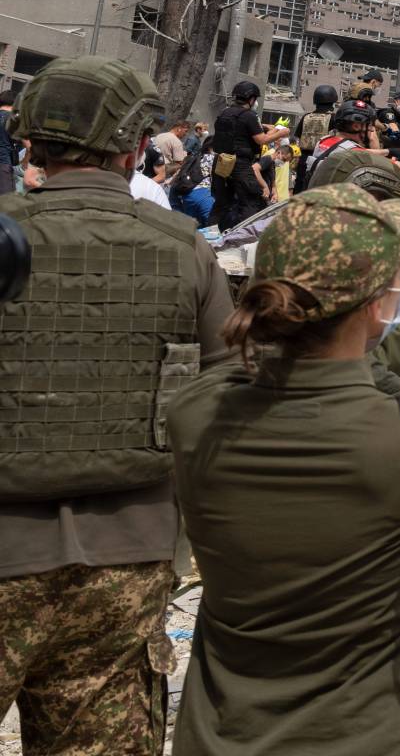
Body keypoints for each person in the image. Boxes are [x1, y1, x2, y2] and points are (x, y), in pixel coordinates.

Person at [167, 181, 400, 755]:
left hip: (220, 737)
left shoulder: (194, 415)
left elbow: (252, 369)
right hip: (373, 735)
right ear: (375, 308)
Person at [0, 59, 235, 755]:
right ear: (134, 147)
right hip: (126, 562)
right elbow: (222, 402)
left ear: (30, 142)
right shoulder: (184, 251)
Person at [210, 79, 291, 228]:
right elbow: (261, 140)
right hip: (240, 164)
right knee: (252, 200)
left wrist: (272, 130)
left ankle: (212, 232)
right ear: (251, 99)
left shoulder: (225, 113)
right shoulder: (249, 116)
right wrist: (282, 133)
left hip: (221, 162)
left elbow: (248, 133)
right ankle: (242, 237)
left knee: (222, 201)